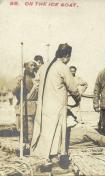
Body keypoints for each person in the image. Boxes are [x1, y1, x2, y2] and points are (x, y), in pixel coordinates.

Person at [30, 43, 80, 171]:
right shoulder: (63, 67)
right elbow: (73, 88)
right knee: (59, 131)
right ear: (66, 56)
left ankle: (49, 157)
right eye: (69, 57)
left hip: (43, 105)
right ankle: (56, 158)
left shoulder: (44, 67)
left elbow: (36, 82)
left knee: (46, 131)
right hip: (57, 105)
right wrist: (77, 98)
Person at [13, 61, 38, 152]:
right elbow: (14, 91)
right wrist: (19, 85)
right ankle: (24, 145)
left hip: (32, 104)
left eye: (34, 65)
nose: (33, 67)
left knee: (30, 125)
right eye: (31, 65)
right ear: (26, 67)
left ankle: (30, 146)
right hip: (22, 104)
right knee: (21, 126)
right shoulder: (21, 78)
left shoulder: (36, 78)